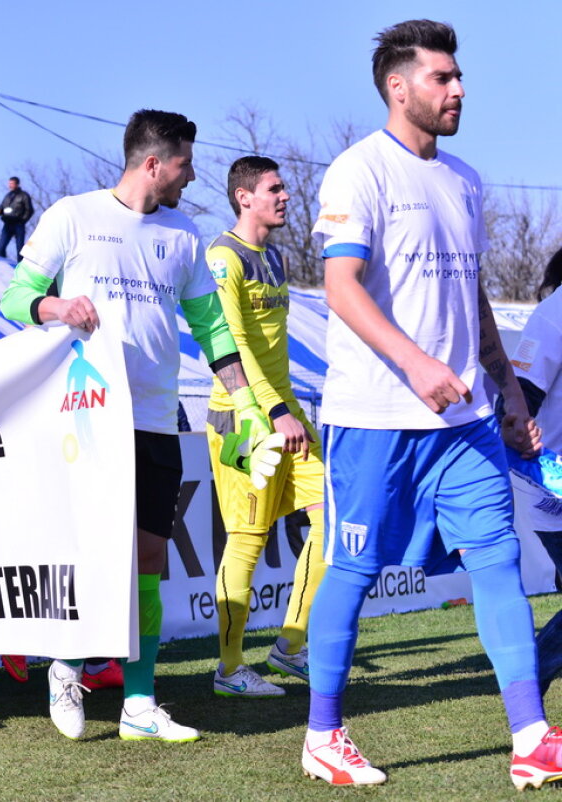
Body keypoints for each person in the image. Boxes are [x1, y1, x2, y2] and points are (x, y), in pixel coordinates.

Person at [306, 20, 561, 789]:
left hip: (467, 423)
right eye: (442, 78)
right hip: (374, 418)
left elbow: (472, 295)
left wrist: (508, 389)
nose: (458, 89)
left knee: (500, 561)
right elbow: (340, 287)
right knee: (352, 570)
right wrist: (415, 363)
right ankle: (322, 734)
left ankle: (531, 736)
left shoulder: (465, 180)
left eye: (458, 77)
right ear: (398, 86)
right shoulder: (358, 172)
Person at [1, 109, 282, 743]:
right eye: (184, 163)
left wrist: (246, 406)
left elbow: (212, 330)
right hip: (86, 416)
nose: (191, 176)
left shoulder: (184, 233)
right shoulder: (72, 215)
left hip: (156, 420)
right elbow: (17, 296)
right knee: (90, 555)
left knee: (149, 560)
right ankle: (66, 667)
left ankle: (138, 704)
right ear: (153, 163)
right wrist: (57, 305)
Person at [206, 157, 326, 698]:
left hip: (287, 411)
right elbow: (232, 344)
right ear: (243, 196)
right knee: (247, 542)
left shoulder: (274, 257)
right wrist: (271, 410)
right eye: (274, 189)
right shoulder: (221, 255)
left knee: (334, 518)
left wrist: (286, 407)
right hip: (241, 418)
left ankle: (290, 646)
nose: (285, 196)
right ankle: (229, 670)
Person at [510, 248, 562, 691]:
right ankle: (527, 694)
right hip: (551, 479)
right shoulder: (555, 313)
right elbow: (520, 392)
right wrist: (519, 428)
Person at [0, 176, 33, 261]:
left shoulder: (24, 195)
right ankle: (2, 262)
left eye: (12, 183)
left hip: (18, 224)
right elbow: (2, 207)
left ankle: (20, 266)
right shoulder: (7, 196)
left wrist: (22, 221)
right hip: (7, 223)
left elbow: (29, 210)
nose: (9, 185)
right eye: (9, 183)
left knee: (20, 248)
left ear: (17, 184)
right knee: (1, 246)